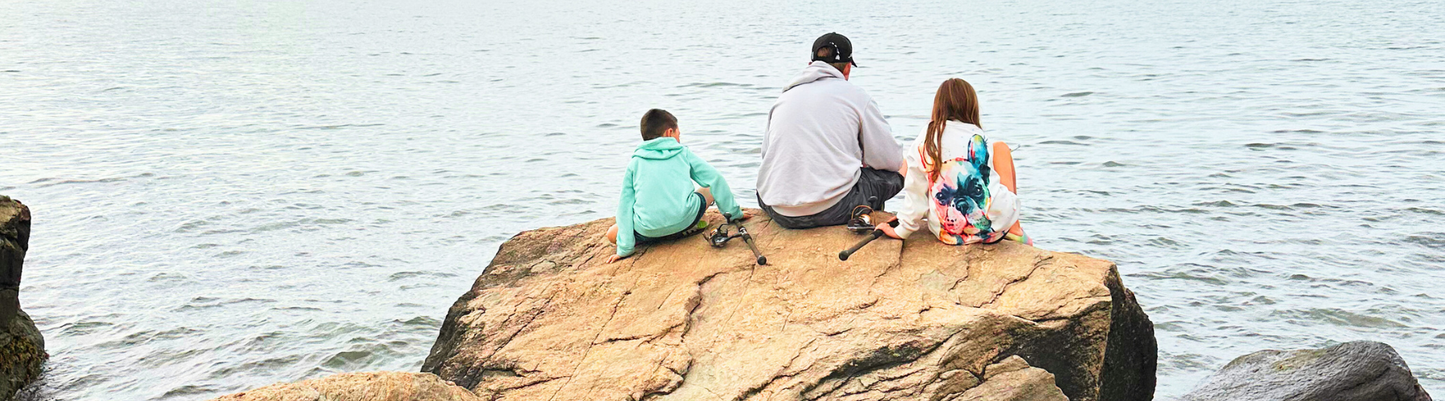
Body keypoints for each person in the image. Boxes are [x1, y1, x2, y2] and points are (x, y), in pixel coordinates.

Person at [756, 32, 906, 229]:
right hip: (833, 209)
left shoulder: (783, 98)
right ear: (848, 68)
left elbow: (767, 156)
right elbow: (890, 161)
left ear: (811, 64)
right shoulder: (857, 97)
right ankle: (865, 214)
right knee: (902, 167)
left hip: (777, 209)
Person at [878, 78, 1031, 245]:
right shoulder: (979, 136)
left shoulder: (927, 138)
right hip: (995, 228)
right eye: (945, 196)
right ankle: (1015, 229)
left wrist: (903, 228)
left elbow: (916, 191)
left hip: (947, 233)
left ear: (937, 107)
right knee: (1001, 149)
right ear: (972, 107)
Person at [606, 109, 748, 263]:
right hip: (685, 219)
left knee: (612, 234)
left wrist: (625, 249)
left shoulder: (634, 163)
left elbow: (625, 205)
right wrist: (734, 214)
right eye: (678, 134)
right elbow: (715, 178)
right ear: (669, 133)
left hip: (648, 230)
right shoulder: (683, 153)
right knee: (709, 188)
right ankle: (687, 227)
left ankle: (653, 238)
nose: (679, 139)